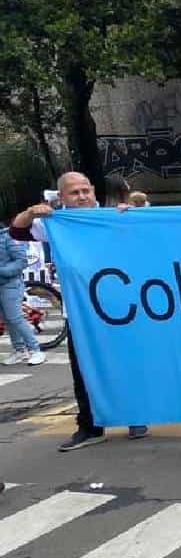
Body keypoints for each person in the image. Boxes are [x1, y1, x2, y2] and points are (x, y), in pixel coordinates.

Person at [10, 173, 146, 451]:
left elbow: (143, 237)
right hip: (80, 312)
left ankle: (136, 417)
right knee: (83, 371)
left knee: (125, 362)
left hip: (117, 308)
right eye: (74, 192)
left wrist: (130, 216)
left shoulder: (112, 216)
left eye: (86, 190)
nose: (82, 196)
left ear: (94, 191)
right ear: (61, 198)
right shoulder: (56, 223)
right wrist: (31, 212)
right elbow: (17, 231)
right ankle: (90, 427)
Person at [0, 227, 46, 367]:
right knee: (8, 320)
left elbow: (21, 261)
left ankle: (36, 350)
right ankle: (19, 350)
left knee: (15, 318)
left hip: (10, 284)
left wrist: (2, 271)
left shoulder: (8, 236)